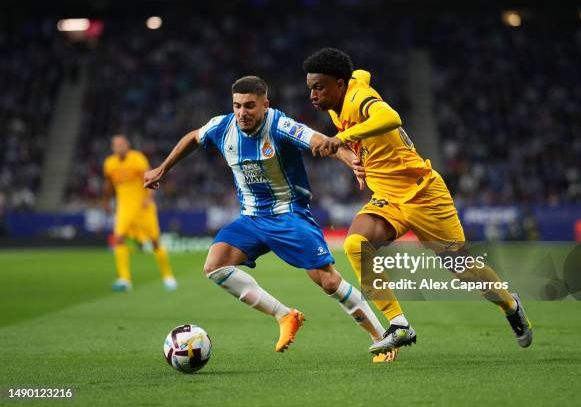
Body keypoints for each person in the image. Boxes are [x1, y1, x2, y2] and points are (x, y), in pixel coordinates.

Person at [144, 76, 398, 362]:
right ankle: (285, 315)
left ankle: (382, 339)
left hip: (289, 216)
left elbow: (321, 141)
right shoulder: (222, 127)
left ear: (265, 104)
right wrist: (163, 168)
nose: (242, 113)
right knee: (214, 266)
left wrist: (350, 160)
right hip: (252, 218)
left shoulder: (280, 125)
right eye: (237, 106)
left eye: (250, 106)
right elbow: (193, 136)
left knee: (328, 282)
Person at [303, 48, 533, 354]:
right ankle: (399, 325)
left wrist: (343, 140)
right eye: (310, 88)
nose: (313, 95)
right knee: (355, 244)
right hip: (387, 198)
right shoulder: (345, 93)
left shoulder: (358, 99)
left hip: (423, 194)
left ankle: (509, 303)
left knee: (461, 266)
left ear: (340, 84)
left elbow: (390, 116)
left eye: (319, 87)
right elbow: (362, 73)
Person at [103, 135, 177, 292]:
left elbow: (149, 177)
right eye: (116, 145)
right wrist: (106, 201)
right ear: (112, 147)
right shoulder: (109, 164)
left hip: (143, 207)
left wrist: (149, 197)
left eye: (121, 144)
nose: (119, 147)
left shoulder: (137, 158)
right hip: (124, 208)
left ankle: (168, 276)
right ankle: (124, 279)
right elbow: (109, 184)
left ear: (127, 145)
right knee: (119, 238)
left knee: (155, 241)